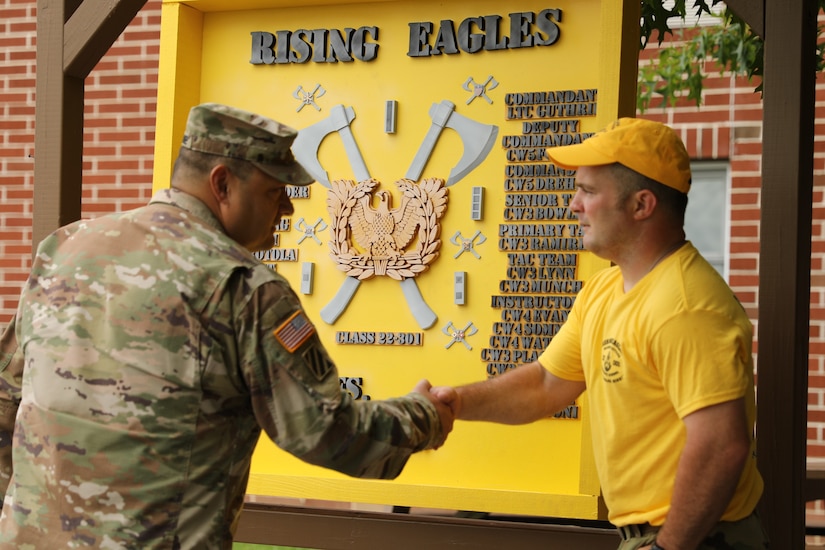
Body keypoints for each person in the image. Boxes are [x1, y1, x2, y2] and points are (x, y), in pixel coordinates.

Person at [0, 103, 453, 548]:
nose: (288, 211)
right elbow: (327, 433)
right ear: (223, 184)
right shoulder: (243, 287)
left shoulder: (63, 250)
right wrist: (426, 416)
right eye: (276, 192)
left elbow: (6, 400)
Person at [432, 118, 767, 549]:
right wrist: (455, 403)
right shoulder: (604, 290)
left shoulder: (685, 307)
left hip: (699, 537)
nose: (574, 204)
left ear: (641, 205)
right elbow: (546, 384)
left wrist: (668, 547)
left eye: (589, 191)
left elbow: (722, 445)